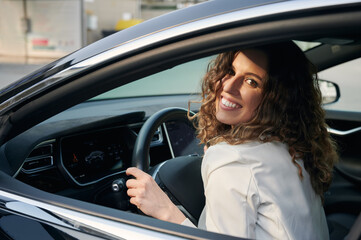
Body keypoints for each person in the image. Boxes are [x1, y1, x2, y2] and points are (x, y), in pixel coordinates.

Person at [125, 41, 338, 239]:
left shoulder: (231, 162)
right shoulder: (295, 148)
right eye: (230, 71)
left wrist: (166, 211)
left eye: (251, 81)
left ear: (276, 100)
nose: (228, 86)